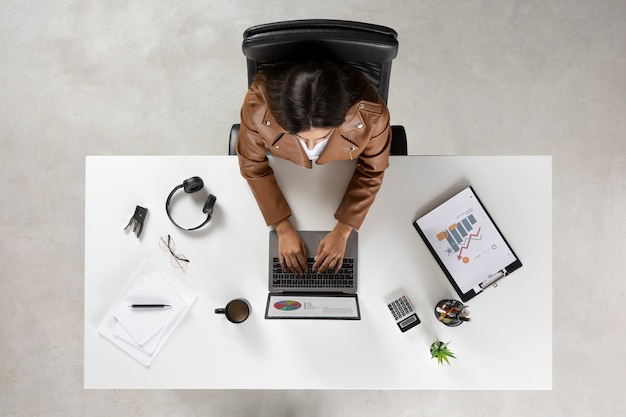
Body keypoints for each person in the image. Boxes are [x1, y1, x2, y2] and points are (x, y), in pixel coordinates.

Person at [237, 62, 391, 275]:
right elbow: (252, 165)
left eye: (322, 137)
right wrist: (281, 227)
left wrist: (344, 229)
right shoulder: (257, 105)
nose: (311, 148)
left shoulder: (372, 115)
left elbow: (372, 170)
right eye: (300, 137)